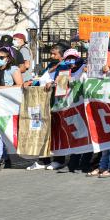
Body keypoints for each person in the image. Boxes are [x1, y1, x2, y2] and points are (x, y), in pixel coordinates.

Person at [25, 43, 68, 171]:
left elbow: (64, 83)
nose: (51, 56)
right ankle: (43, 159)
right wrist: (32, 82)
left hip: (56, 102)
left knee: (57, 131)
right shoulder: (50, 65)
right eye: (51, 53)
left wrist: (54, 84)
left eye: (54, 54)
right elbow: (42, 79)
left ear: (62, 55)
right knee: (43, 131)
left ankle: (59, 159)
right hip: (43, 102)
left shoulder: (65, 65)